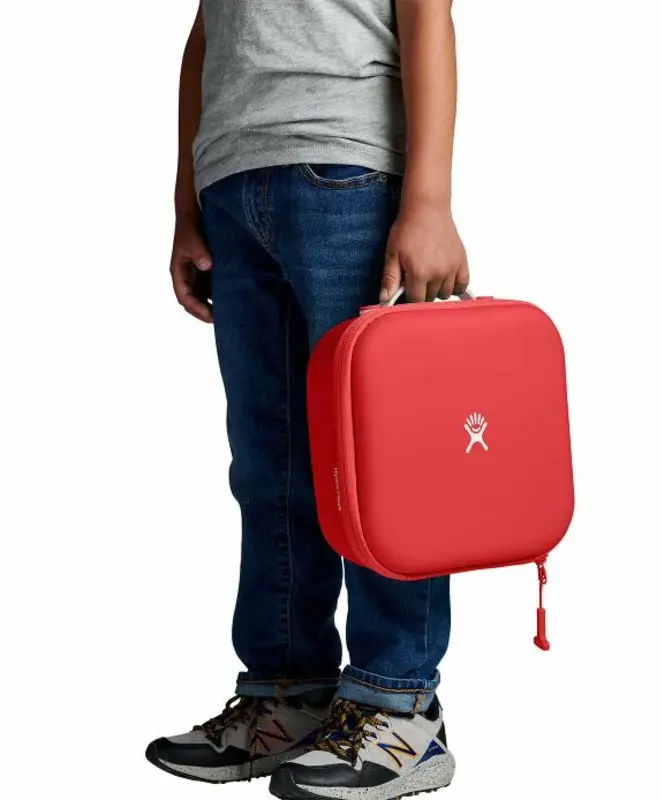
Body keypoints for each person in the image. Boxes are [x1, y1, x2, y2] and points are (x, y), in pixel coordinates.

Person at [145, 2, 468, 798]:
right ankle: (288, 694)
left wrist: (428, 200)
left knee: (380, 466)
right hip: (233, 182)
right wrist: (187, 199)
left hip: (349, 168)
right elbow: (207, 31)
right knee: (271, 465)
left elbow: (427, 12)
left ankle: (400, 706)